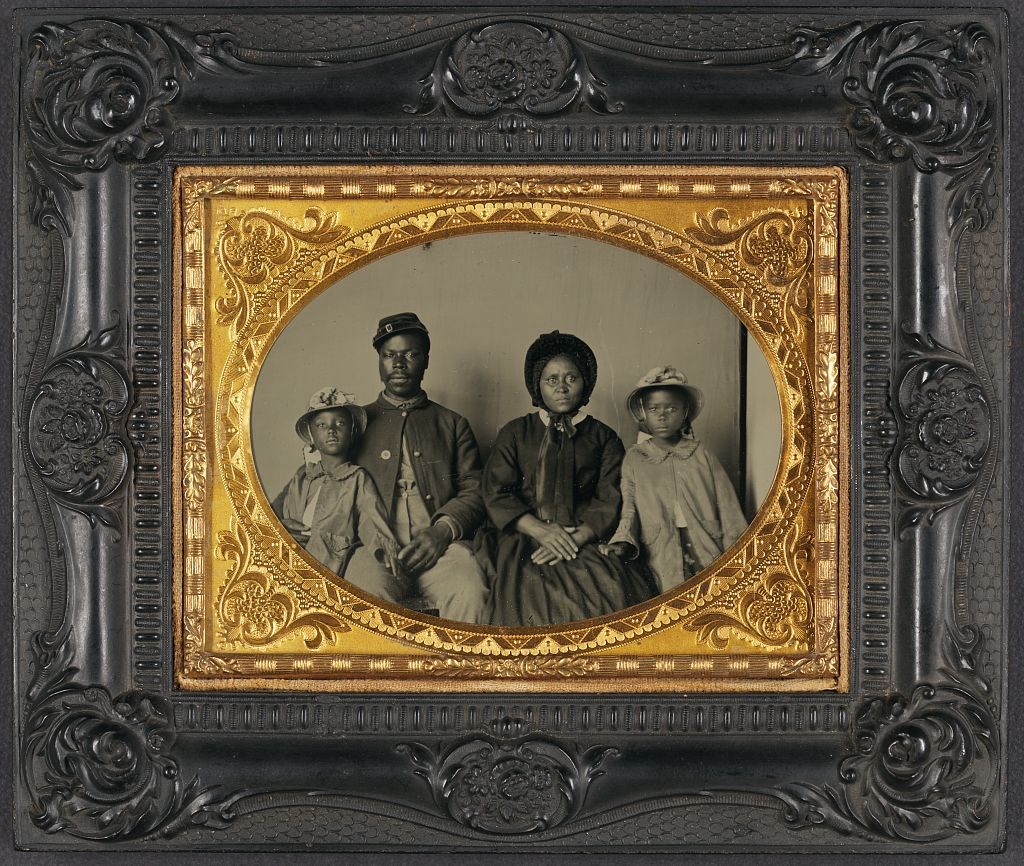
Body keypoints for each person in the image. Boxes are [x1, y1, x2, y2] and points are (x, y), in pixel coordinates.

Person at [478, 331, 656, 626]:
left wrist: (578, 537)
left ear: (585, 382)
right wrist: (540, 530)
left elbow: (611, 495)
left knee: (607, 592)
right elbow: (496, 492)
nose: (562, 388)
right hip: (524, 536)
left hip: (582, 537)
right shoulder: (515, 433)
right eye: (552, 380)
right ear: (537, 384)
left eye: (571, 378)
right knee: (525, 598)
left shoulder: (603, 437)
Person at [354, 312, 489, 622]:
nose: (399, 364)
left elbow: (476, 490)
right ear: (379, 360)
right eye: (390, 355)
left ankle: (462, 671)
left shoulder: (452, 424)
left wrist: (441, 533)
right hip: (374, 547)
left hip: (441, 548)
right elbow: (329, 476)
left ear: (426, 360)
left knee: (470, 589)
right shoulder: (355, 422)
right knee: (364, 593)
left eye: (411, 354)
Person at [602, 366, 748, 592]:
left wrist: (739, 555)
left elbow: (728, 507)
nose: (662, 416)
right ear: (644, 414)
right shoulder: (635, 458)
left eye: (671, 408)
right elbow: (629, 507)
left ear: (684, 413)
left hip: (706, 543)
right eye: (654, 409)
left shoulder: (701, 454)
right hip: (660, 548)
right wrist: (622, 540)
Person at [271, 387, 405, 600]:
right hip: (294, 555)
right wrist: (280, 527)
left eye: (340, 424)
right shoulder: (303, 476)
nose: (331, 430)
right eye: (322, 425)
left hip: (332, 557)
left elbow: (371, 519)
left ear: (352, 432)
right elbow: (273, 513)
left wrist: (382, 549)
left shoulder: (356, 478)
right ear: (312, 436)